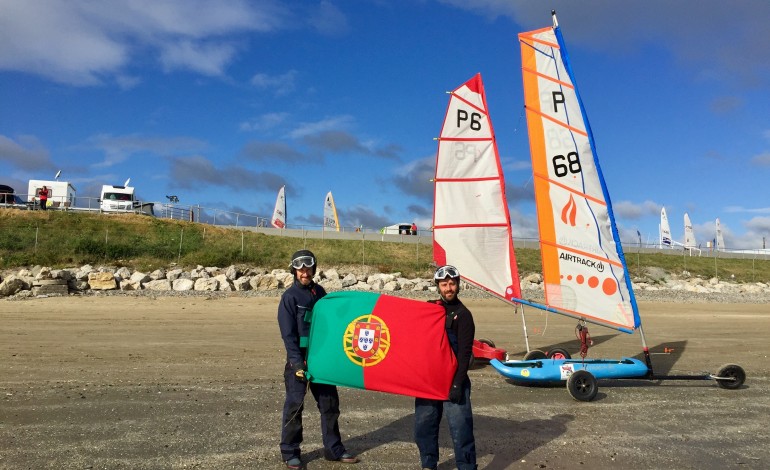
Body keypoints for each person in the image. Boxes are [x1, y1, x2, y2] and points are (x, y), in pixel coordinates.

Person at [277, 249, 359, 469]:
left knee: (330, 405)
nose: (304, 272)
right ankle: (290, 451)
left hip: (322, 361)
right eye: (300, 268)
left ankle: (334, 449)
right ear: (294, 270)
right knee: (295, 406)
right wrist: (296, 363)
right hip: (300, 362)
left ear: (314, 269)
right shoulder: (289, 298)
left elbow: (332, 325)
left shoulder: (320, 293)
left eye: (308, 268)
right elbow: (288, 334)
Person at [414, 265, 477, 470]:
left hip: (454, 380)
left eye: (452, 284)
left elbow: (464, 354)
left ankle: (466, 467)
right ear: (438, 286)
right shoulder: (430, 309)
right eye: (444, 284)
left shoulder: (464, 315)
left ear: (458, 285)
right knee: (424, 427)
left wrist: (458, 384)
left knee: (461, 429)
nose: (449, 288)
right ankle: (428, 464)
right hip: (429, 380)